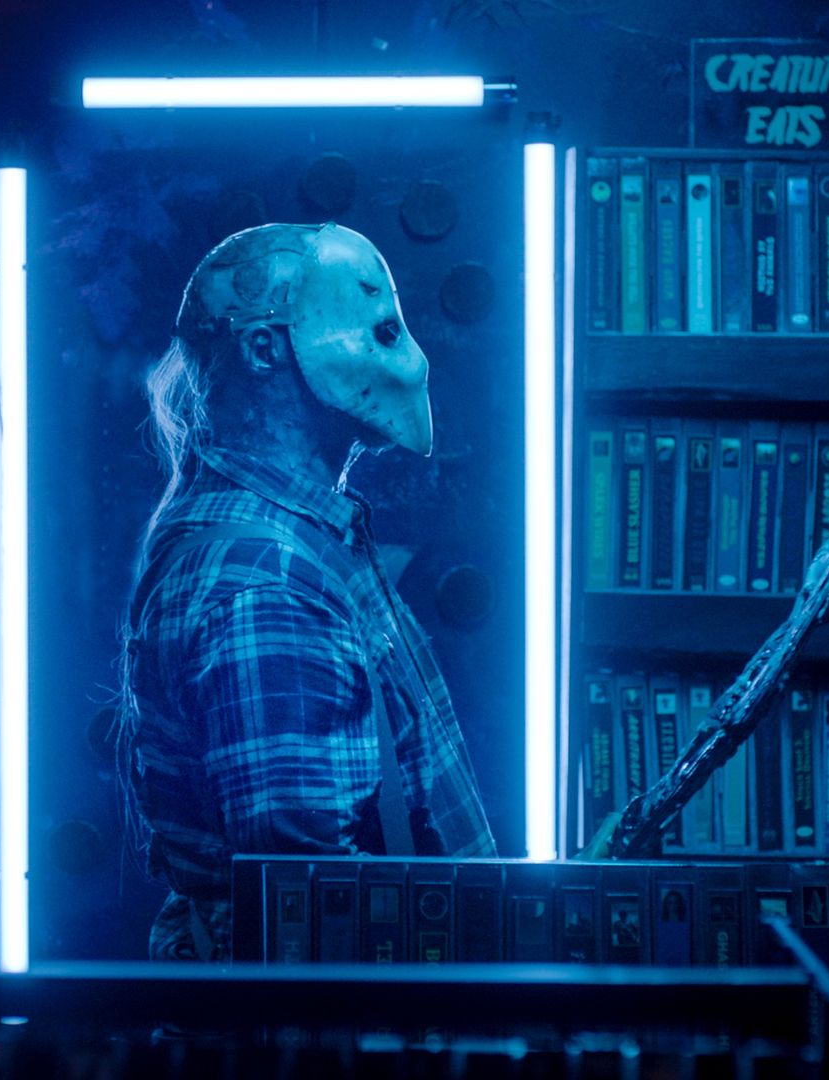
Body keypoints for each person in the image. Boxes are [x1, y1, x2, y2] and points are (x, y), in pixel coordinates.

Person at [117, 223, 496, 961]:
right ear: (265, 350)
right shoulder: (266, 588)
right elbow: (314, 917)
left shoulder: (297, 540)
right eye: (374, 328)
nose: (408, 360)